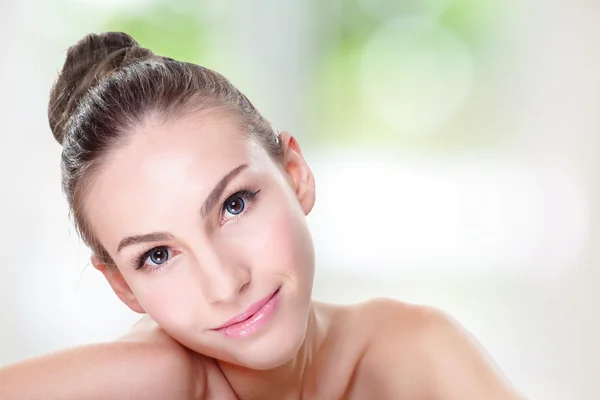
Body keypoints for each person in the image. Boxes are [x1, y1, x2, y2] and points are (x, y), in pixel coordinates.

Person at [0, 32, 525, 399]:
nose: (226, 283)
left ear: (295, 174)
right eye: (157, 256)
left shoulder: (416, 351)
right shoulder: (158, 376)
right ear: (123, 287)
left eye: (234, 205)